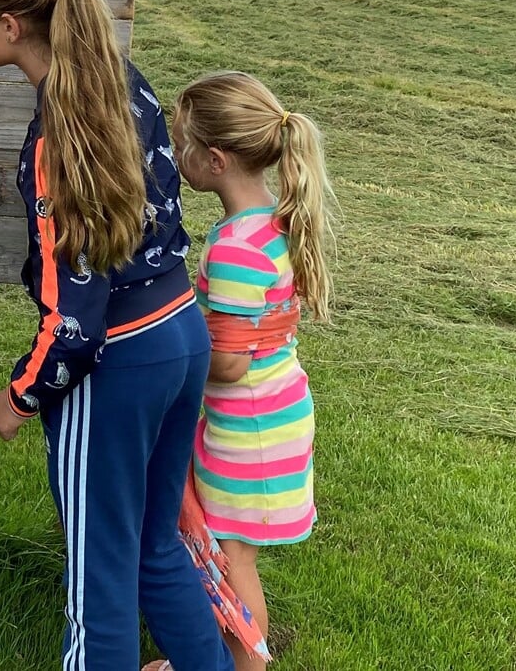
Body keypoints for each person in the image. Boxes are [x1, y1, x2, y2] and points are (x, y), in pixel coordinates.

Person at [0, 0, 233, 671]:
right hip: (181, 335)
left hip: (119, 362)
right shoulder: (127, 80)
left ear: (10, 26)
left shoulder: (59, 136)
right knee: (153, 546)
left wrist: (19, 396)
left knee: (98, 577)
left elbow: (75, 322)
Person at [171, 72, 333, 671]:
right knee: (232, 556)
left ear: (214, 160)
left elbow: (231, 361)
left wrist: (178, 345)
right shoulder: (273, 220)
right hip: (276, 410)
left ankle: (245, 667)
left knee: (231, 561)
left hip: (250, 429)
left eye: (182, 144)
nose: (175, 154)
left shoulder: (235, 247)